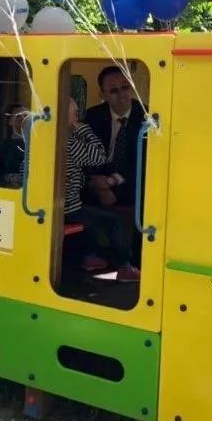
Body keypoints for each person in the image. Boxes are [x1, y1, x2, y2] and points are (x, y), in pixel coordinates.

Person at [64, 98, 141, 282]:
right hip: (68, 208)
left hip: (62, 204)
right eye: (74, 114)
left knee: (90, 212)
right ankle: (125, 266)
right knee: (111, 220)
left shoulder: (43, 139)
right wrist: (83, 129)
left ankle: (90, 256)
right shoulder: (68, 143)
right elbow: (99, 156)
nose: (77, 118)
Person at [83, 66, 147, 207]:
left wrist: (113, 180)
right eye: (114, 90)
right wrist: (96, 182)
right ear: (103, 95)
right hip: (99, 179)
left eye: (125, 88)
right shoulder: (93, 116)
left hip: (131, 181)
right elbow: (84, 154)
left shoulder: (146, 116)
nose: (122, 95)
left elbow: (146, 161)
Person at [0, 103, 27, 189]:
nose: (23, 119)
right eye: (18, 116)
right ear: (10, 121)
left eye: (26, 115)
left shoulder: (38, 146)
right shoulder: (3, 147)